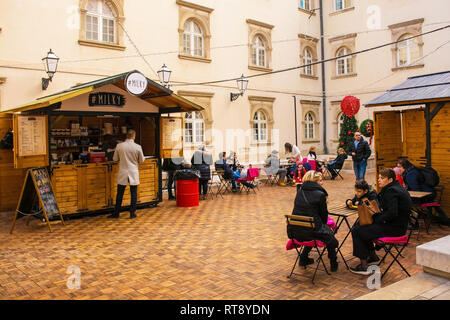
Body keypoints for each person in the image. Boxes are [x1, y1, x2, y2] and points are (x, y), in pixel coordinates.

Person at [350, 168, 412, 275]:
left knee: (357, 230)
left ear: (390, 180)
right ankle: (373, 256)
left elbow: (392, 213)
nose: (379, 180)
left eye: (382, 178)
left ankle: (364, 267)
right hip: (398, 226)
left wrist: (377, 218)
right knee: (363, 227)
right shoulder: (397, 188)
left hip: (394, 229)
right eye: (379, 178)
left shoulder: (391, 191)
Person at [287, 171, 339, 272]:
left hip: (295, 231)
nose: (322, 183)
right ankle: (333, 262)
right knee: (328, 234)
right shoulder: (320, 194)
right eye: (320, 180)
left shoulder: (299, 192)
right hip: (311, 233)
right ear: (314, 182)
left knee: (311, 229)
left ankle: (303, 258)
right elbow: (324, 218)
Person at [108, 129, 145, 219]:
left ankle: (116, 213)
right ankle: (132, 213)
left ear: (126, 136)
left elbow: (115, 159)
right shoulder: (138, 147)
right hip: (133, 171)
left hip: (123, 171)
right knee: (133, 193)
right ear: (134, 136)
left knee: (120, 193)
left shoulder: (119, 146)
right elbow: (141, 160)